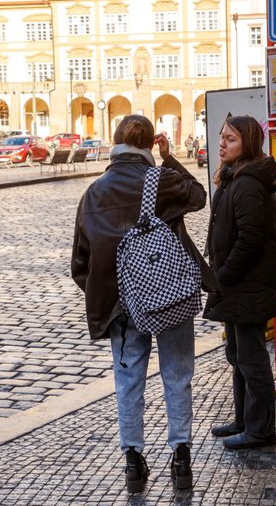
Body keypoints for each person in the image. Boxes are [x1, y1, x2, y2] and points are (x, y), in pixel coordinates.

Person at [71, 114, 208, 493]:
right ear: (151, 144)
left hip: (121, 305)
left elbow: (80, 263)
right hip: (170, 298)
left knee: (128, 382)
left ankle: (133, 463)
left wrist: (114, 293)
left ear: (115, 143)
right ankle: (181, 458)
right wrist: (171, 159)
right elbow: (198, 195)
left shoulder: (94, 192)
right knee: (178, 376)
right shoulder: (160, 181)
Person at [204, 115, 276, 450]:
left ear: (247, 144)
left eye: (231, 139)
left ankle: (261, 430)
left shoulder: (248, 182)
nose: (222, 143)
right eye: (222, 137)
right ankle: (244, 419)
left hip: (248, 283)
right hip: (239, 284)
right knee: (237, 354)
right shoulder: (234, 177)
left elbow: (249, 239)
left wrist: (222, 277)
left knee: (252, 358)